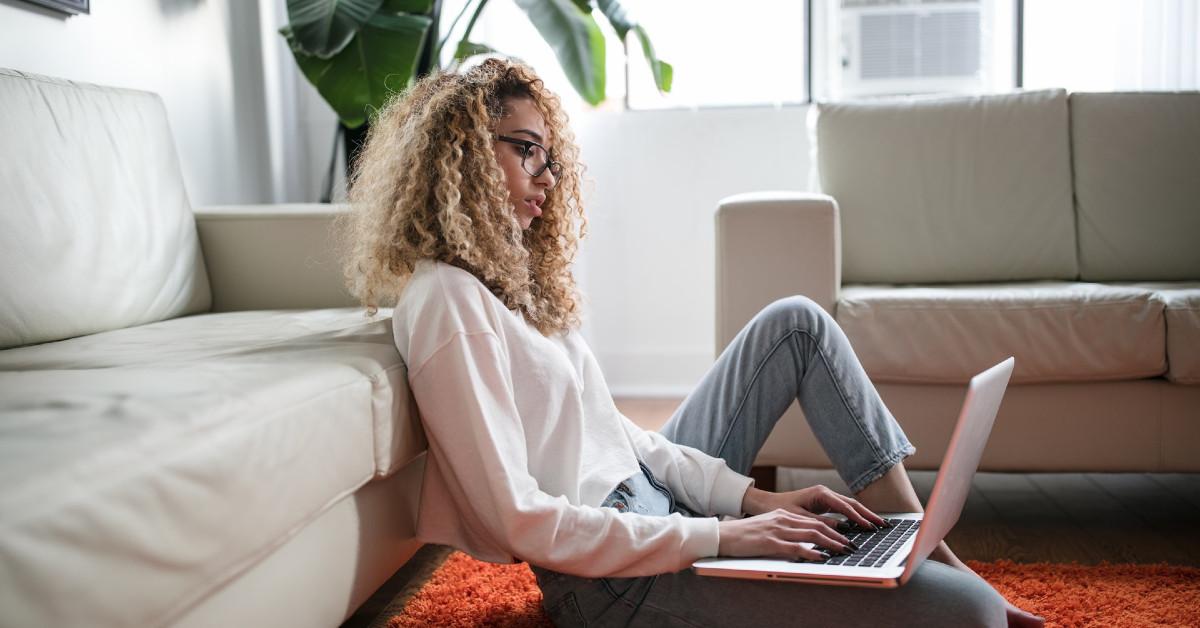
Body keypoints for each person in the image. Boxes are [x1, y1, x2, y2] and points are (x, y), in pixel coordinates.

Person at [342, 57, 1043, 628]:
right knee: (973, 617)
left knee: (795, 323)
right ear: (459, 155)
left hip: (653, 507)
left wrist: (748, 503)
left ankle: (919, 547)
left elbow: (619, 437)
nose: (548, 180)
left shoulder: (510, 285)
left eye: (551, 158)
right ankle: (941, 575)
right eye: (527, 151)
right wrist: (721, 536)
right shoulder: (446, 301)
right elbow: (517, 518)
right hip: (609, 583)